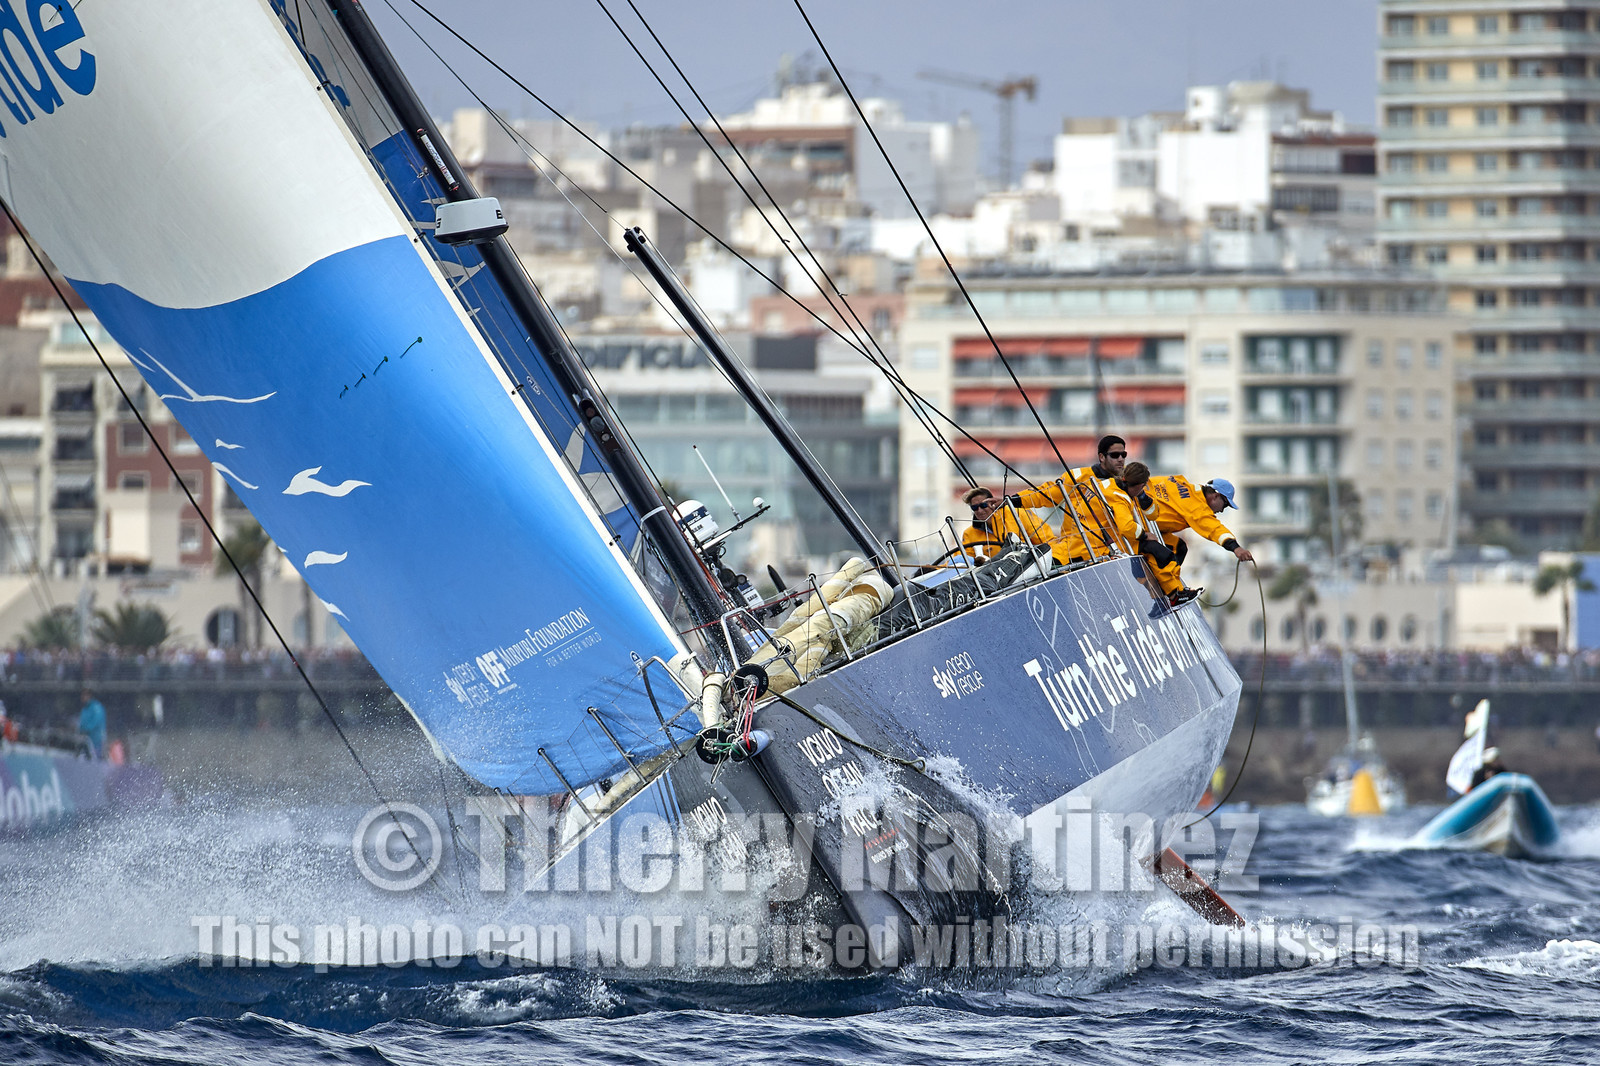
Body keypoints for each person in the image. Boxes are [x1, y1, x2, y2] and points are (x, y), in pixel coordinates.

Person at [1141, 474, 1253, 588]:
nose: (1222, 510)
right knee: (1174, 552)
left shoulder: (1179, 481)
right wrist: (1236, 548)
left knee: (1179, 546)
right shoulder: (1197, 507)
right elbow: (1215, 529)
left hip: (1139, 514)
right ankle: (1168, 589)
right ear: (1216, 496)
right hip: (1139, 525)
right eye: (1225, 505)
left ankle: (1165, 587)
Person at [959, 486, 1054, 564]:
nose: (979, 510)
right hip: (995, 579)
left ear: (992, 502)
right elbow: (963, 562)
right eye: (975, 507)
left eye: (983, 505)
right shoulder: (969, 534)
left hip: (1028, 567)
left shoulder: (1017, 514)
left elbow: (1046, 541)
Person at [77, 688, 106, 759]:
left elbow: (97, 721)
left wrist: (86, 729)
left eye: (84, 695)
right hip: (86, 740)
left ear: (89, 696)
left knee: (96, 758)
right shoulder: (84, 709)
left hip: (96, 739)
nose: (82, 697)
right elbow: (81, 722)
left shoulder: (96, 707)